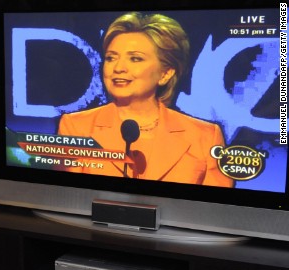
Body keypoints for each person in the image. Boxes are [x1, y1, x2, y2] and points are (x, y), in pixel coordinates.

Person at [58, 12, 233, 187]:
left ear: (165, 74)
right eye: (111, 58)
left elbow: (215, 207)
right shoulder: (76, 127)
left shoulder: (205, 136)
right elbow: (70, 195)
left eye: (135, 58)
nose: (118, 68)